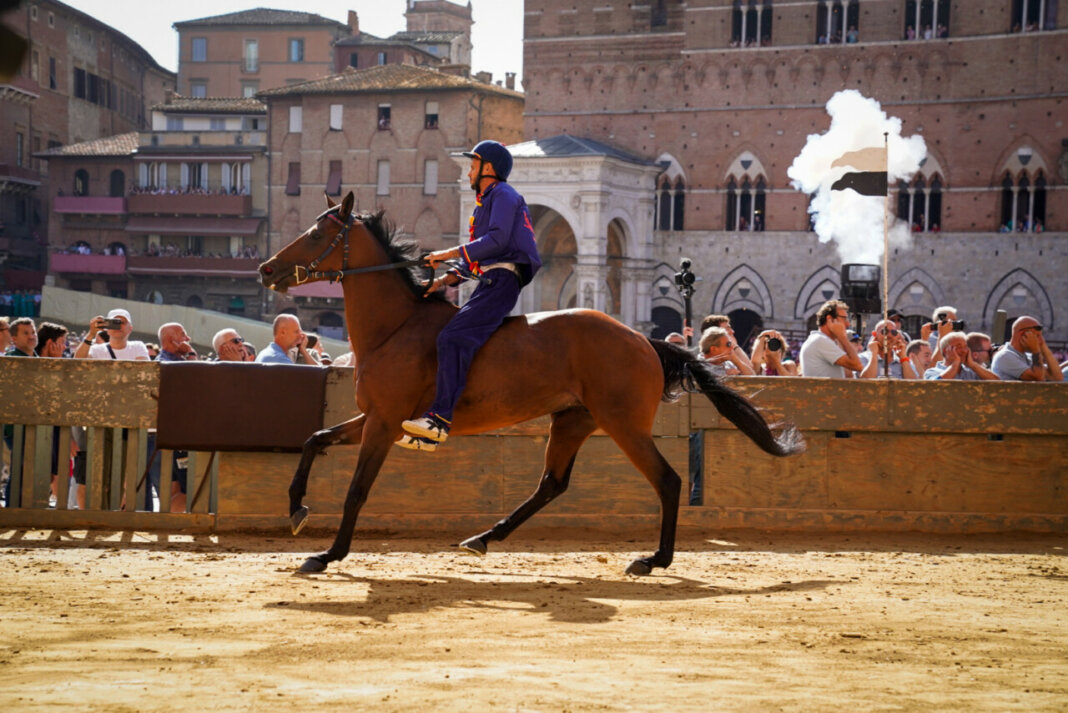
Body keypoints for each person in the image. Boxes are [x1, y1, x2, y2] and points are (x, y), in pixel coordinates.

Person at [401, 140, 541, 446]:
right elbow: (475, 260)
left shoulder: (503, 194)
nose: (469, 172)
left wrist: (446, 251)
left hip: (502, 281)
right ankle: (430, 427)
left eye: (473, 165)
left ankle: (438, 421)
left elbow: (498, 241)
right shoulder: (490, 199)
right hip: (492, 279)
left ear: (488, 168)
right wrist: (440, 282)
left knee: (452, 338)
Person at [799, 300, 864, 378]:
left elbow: (849, 375)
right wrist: (843, 338)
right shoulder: (821, 341)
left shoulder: (820, 340)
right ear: (830, 319)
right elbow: (858, 366)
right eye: (844, 318)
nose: (847, 324)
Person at [991, 316, 1064, 382]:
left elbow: (1057, 377)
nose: (1041, 340)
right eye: (1037, 336)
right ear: (1022, 334)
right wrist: (1035, 350)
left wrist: (1043, 346)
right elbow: (1038, 378)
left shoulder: (1028, 357)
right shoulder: (1005, 356)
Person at [74, 309, 150, 361]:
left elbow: (144, 369)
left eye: (122, 322)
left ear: (130, 328)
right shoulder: (96, 350)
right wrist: (91, 334)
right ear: (107, 328)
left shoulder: (138, 347)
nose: (118, 326)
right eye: (114, 323)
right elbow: (77, 362)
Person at [924, 332, 999, 380]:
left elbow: (997, 382)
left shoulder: (971, 372)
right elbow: (936, 384)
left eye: (965, 347)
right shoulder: (932, 372)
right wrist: (955, 364)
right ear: (945, 350)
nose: (964, 350)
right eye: (958, 347)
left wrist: (972, 365)